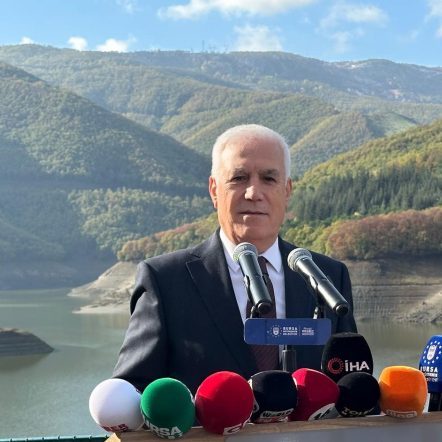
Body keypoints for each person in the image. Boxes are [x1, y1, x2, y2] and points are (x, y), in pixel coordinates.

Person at [113, 124, 357, 394]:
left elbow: (351, 383)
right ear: (214, 190)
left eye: (269, 179)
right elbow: (130, 392)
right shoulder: (165, 280)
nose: (253, 193)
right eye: (239, 178)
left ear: (287, 191)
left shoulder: (327, 277)